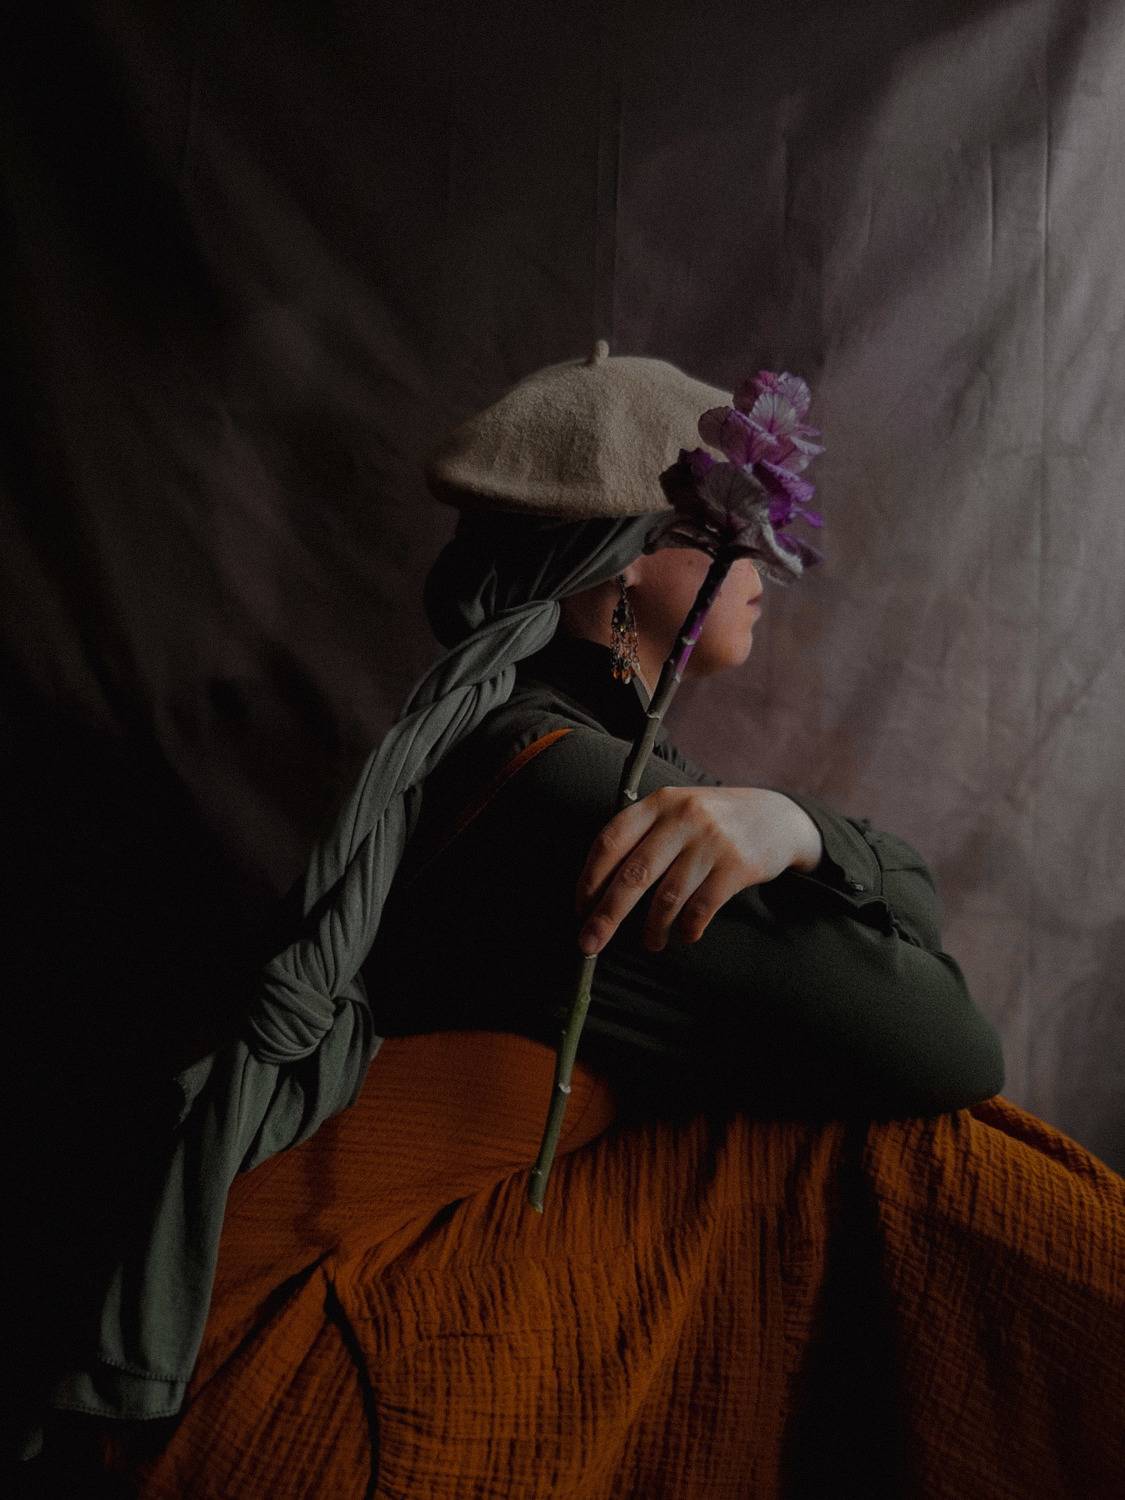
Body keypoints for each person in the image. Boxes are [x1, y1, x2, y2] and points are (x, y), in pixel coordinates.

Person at [38, 343, 1124, 1498]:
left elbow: (911, 941)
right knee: (894, 1153)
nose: (767, 554)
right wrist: (811, 836)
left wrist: (799, 830)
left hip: (453, 1245)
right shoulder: (563, 785)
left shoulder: (553, 739)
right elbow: (946, 1042)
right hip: (360, 1325)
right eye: (733, 521)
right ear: (628, 558)